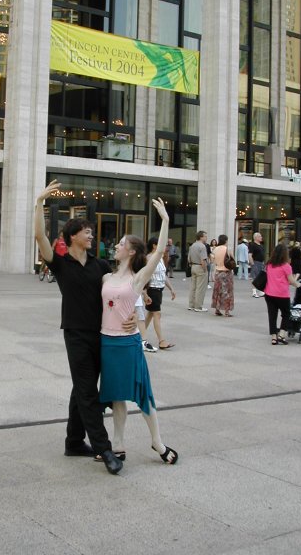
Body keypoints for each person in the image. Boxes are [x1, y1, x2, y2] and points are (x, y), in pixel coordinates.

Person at [35, 179, 134, 476]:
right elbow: (40, 235)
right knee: (88, 391)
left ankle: (74, 441)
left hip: (102, 334)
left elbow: (122, 289)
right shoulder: (60, 264)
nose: (91, 234)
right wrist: (39, 202)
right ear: (72, 236)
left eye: (91, 231)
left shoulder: (100, 265)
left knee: (83, 387)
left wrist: (133, 316)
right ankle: (104, 450)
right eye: (86, 231)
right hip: (76, 334)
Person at [98, 198, 178, 465]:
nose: (117, 246)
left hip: (128, 344)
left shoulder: (137, 277)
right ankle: (118, 444)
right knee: (115, 396)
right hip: (107, 342)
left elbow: (156, 256)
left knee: (143, 393)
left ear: (131, 252)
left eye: (121, 244)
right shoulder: (107, 277)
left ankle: (157, 441)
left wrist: (165, 220)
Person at [263, 244, 301, 345]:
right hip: (282, 294)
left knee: (272, 315)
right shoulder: (286, 266)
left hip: (269, 293)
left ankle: (274, 337)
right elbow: (291, 281)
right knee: (286, 314)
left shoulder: (269, 265)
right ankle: (282, 334)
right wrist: (298, 284)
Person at [144, 237, 176, 349]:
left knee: (150, 314)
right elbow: (145, 276)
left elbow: (163, 275)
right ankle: (161, 341)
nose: (164, 247)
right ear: (154, 245)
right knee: (156, 314)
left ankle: (139, 336)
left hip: (159, 290)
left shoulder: (160, 258)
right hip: (152, 289)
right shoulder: (149, 258)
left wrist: (171, 288)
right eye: (161, 244)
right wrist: (145, 293)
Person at [211, 234, 235, 317]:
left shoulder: (215, 249)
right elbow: (233, 259)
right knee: (227, 291)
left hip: (218, 271)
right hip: (226, 272)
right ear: (226, 241)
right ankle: (227, 311)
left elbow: (213, 261)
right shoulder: (228, 249)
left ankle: (217, 309)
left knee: (218, 291)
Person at [187, 230, 208, 312]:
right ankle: (198, 306)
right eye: (205, 236)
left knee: (193, 287)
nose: (206, 238)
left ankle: (191, 305)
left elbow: (188, 259)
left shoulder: (192, 246)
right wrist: (205, 269)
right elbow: (203, 260)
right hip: (200, 266)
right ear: (201, 237)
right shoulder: (202, 247)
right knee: (200, 288)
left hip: (193, 266)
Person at [249, 232, 265, 297]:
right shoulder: (253, 245)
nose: (261, 237)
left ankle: (260, 291)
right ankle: (254, 292)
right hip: (255, 262)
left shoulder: (261, 245)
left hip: (261, 263)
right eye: (260, 236)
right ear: (256, 237)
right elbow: (250, 255)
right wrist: (252, 264)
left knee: (261, 277)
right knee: (254, 277)